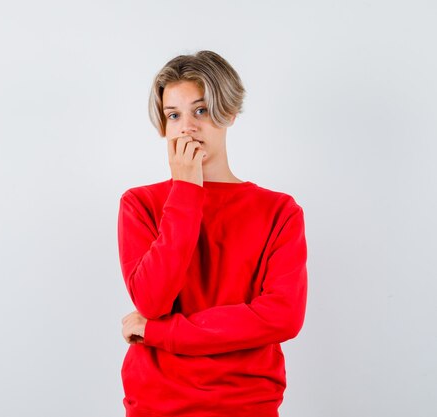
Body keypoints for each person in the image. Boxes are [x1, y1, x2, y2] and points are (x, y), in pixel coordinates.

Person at [117, 50, 308, 417]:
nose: (187, 126)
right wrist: (187, 189)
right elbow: (153, 301)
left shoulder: (279, 211)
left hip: (247, 404)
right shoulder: (139, 204)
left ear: (229, 113)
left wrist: (159, 333)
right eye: (174, 115)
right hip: (158, 404)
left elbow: (282, 317)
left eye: (201, 111)